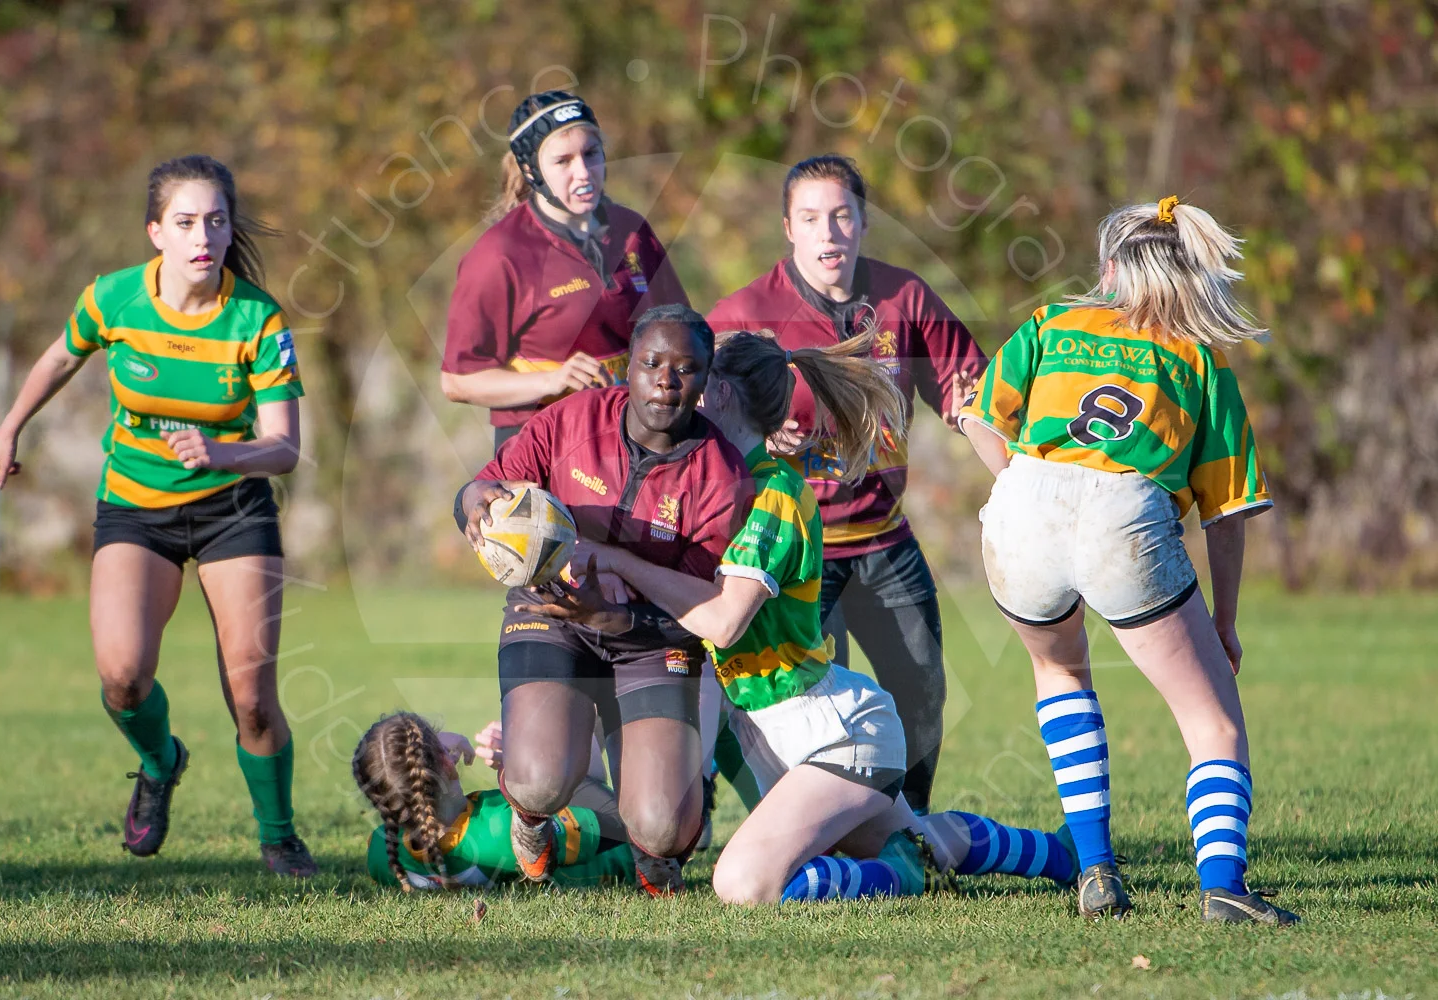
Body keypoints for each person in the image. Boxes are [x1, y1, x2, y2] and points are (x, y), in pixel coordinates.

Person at [530, 330, 1078, 904]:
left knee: (744, 882)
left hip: (835, 734)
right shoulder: (714, 484)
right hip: (782, 735)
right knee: (912, 839)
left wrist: (617, 559)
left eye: (699, 377)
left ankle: (904, 881)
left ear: (719, 392)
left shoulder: (775, 495)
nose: (683, 389)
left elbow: (722, 621)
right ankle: (1058, 853)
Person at [958, 196, 1298, 925]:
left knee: (1058, 670)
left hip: (1022, 502)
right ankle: (1224, 887)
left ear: (1110, 267)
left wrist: (1032, 500)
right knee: (1214, 724)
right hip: (1126, 512)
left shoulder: (1054, 322)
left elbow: (982, 419)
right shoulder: (1201, 360)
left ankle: (1096, 870)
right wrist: (1225, 621)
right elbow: (1227, 513)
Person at [0, 155, 317, 876]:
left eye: (217, 222)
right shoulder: (114, 299)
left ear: (230, 232)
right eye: (187, 222)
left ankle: (280, 836)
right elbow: (60, 358)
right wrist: (11, 426)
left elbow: (285, 449)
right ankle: (160, 763)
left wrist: (221, 454)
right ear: (155, 232)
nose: (204, 236)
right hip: (135, 508)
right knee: (123, 677)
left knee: (252, 698)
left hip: (234, 510)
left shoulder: (257, 317)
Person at [706, 155, 987, 813]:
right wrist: (755, 431)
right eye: (811, 218)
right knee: (813, 705)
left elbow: (969, 397)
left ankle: (907, 824)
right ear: (788, 228)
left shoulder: (904, 298)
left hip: (886, 540)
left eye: (841, 215)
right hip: (796, 548)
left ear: (863, 221)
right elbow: (701, 417)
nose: (828, 232)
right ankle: (823, 826)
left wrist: (1019, 481)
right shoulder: (746, 312)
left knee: (920, 691)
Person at [453, 304, 751, 895]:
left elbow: (698, 614)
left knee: (663, 826)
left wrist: (613, 616)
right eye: (651, 364)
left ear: (707, 379)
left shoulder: (722, 476)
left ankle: (656, 858)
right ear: (629, 368)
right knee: (539, 780)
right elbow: (482, 484)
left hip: (652, 639)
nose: (666, 381)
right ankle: (531, 820)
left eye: (686, 368)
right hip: (550, 617)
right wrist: (472, 499)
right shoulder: (572, 421)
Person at [441, 90, 689, 451]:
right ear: (530, 170)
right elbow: (457, 382)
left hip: (636, 445)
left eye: (591, 154)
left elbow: (686, 331)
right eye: (563, 161)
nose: (583, 172)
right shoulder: (499, 255)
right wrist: (551, 381)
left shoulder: (632, 230)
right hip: (543, 453)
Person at [352, 714, 635, 890]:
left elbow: (405, 773)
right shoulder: (505, 826)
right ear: (446, 762)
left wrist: (432, 751)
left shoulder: (382, 853)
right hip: (625, 859)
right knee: (574, 712)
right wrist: (529, 764)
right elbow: (620, 825)